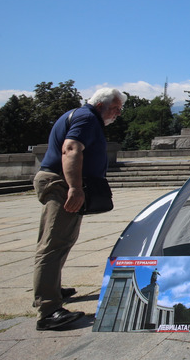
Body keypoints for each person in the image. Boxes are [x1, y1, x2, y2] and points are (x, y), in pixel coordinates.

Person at [32, 88, 124, 330]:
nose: (118, 114)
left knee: (64, 238)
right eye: (115, 108)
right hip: (61, 183)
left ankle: (52, 287)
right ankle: (48, 310)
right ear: (101, 105)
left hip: (63, 182)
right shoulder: (86, 118)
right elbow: (71, 149)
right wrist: (74, 187)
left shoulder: (83, 116)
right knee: (53, 244)